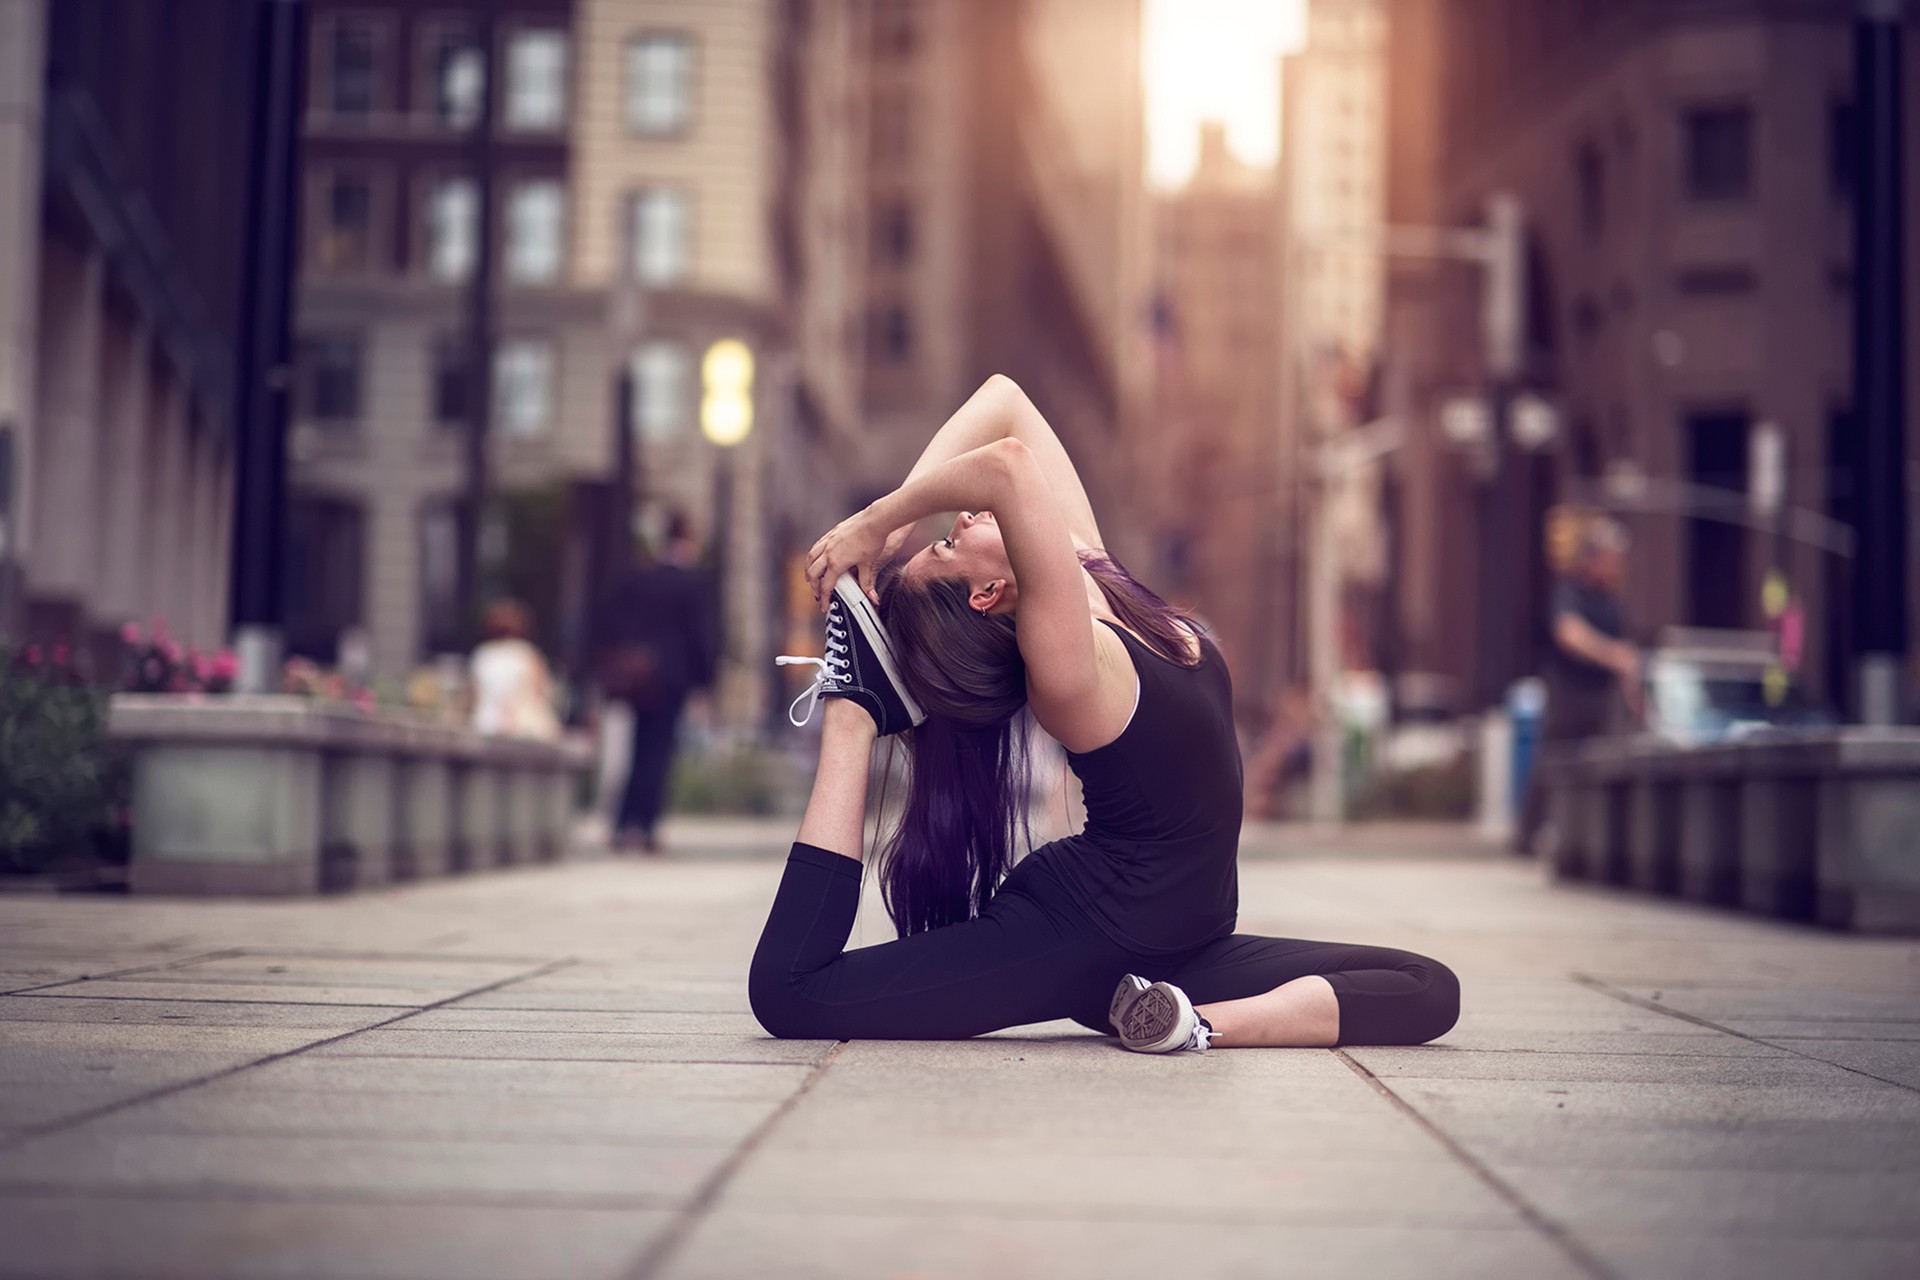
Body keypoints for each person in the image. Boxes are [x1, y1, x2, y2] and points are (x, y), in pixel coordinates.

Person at [751, 376, 1459, 1052]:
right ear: (988, 592)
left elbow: (1006, 399)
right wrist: (882, 520)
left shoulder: (1096, 579)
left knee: (1427, 988)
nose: (958, 517)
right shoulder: (1064, 664)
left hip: (1178, 946)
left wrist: (891, 526)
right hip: (1081, 934)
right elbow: (1006, 465)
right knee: (792, 993)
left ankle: (1187, 1022)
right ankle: (857, 707)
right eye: (949, 543)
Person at [1516, 513, 1640, 857]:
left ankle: (1598, 840)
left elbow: (1626, 653)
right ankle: (1528, 836)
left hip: (1603, 694)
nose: (1614, 566)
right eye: (1609, 558)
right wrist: (1610, 654)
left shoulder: (1612, 601)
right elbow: (1568, 633)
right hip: (1568, 691)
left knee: (1607, 766)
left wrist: (1629, 685)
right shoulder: (1570, 591)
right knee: (1551, 763)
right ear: (1592, 558)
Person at [594, 514, 719, 854]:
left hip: (639, 677)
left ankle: (623, 824)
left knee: (637, 749)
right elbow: (699, 636)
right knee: (659, 752)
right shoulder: (690, 583)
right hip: (672, 678)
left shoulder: (640, 577)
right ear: (689, 542)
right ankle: (646, 826)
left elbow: (608, 618)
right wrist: (704, 681)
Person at [469, 600, 561, 741]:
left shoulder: (482, 654)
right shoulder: (527, 654)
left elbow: (475, 695)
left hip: (487, 723)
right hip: (523, 726)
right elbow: (541, 691)